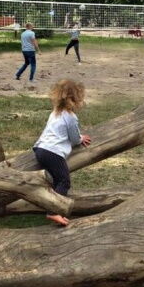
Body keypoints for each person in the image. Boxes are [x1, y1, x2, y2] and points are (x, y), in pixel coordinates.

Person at [31, 80, 91, 226]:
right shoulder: (70, 117)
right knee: (64, 181)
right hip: (54, 152)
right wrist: (81, 138)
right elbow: (74, 138)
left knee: (55, 180)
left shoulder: (55, 113)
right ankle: (53, 212)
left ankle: (50, 202)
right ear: (76, 99)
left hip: (40, 149)